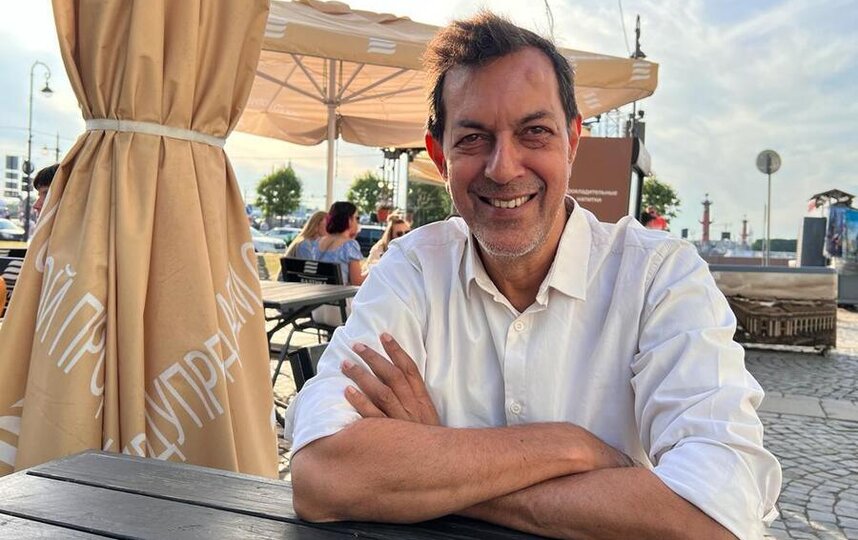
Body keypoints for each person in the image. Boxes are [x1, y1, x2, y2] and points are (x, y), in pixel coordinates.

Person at [286, 12, 780, 539]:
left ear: (572, 142)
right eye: (473, 137)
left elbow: (717, 516)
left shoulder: (658, 277)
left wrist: (435, 473)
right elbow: (323, 475)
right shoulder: (412, 268)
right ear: (439, 155)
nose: (503, 168)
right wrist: (571, 447)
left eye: (535, 132)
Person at [296, 201, 365, 286]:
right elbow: (357, 282)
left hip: (318, 292)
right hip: (340, 293)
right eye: (357, 218)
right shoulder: (349, 245)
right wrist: (373, 271)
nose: (358, 222)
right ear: (349, 220)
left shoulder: (317, 242)